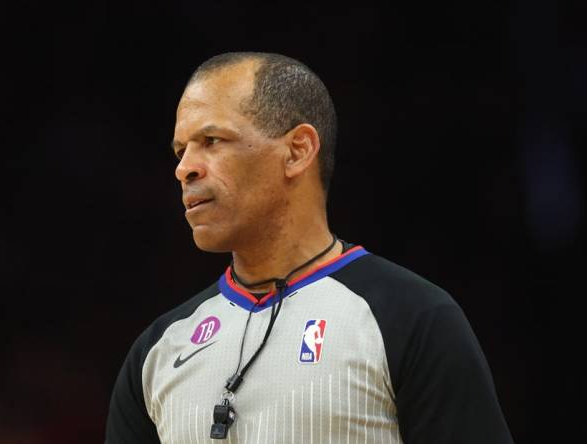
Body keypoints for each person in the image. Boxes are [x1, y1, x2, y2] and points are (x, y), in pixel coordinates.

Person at [105, 52, 513, 443]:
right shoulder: (157, 350)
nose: (184, 168)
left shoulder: (412, 318)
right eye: (181, 150)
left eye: (211, 140)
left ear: (298, 150)